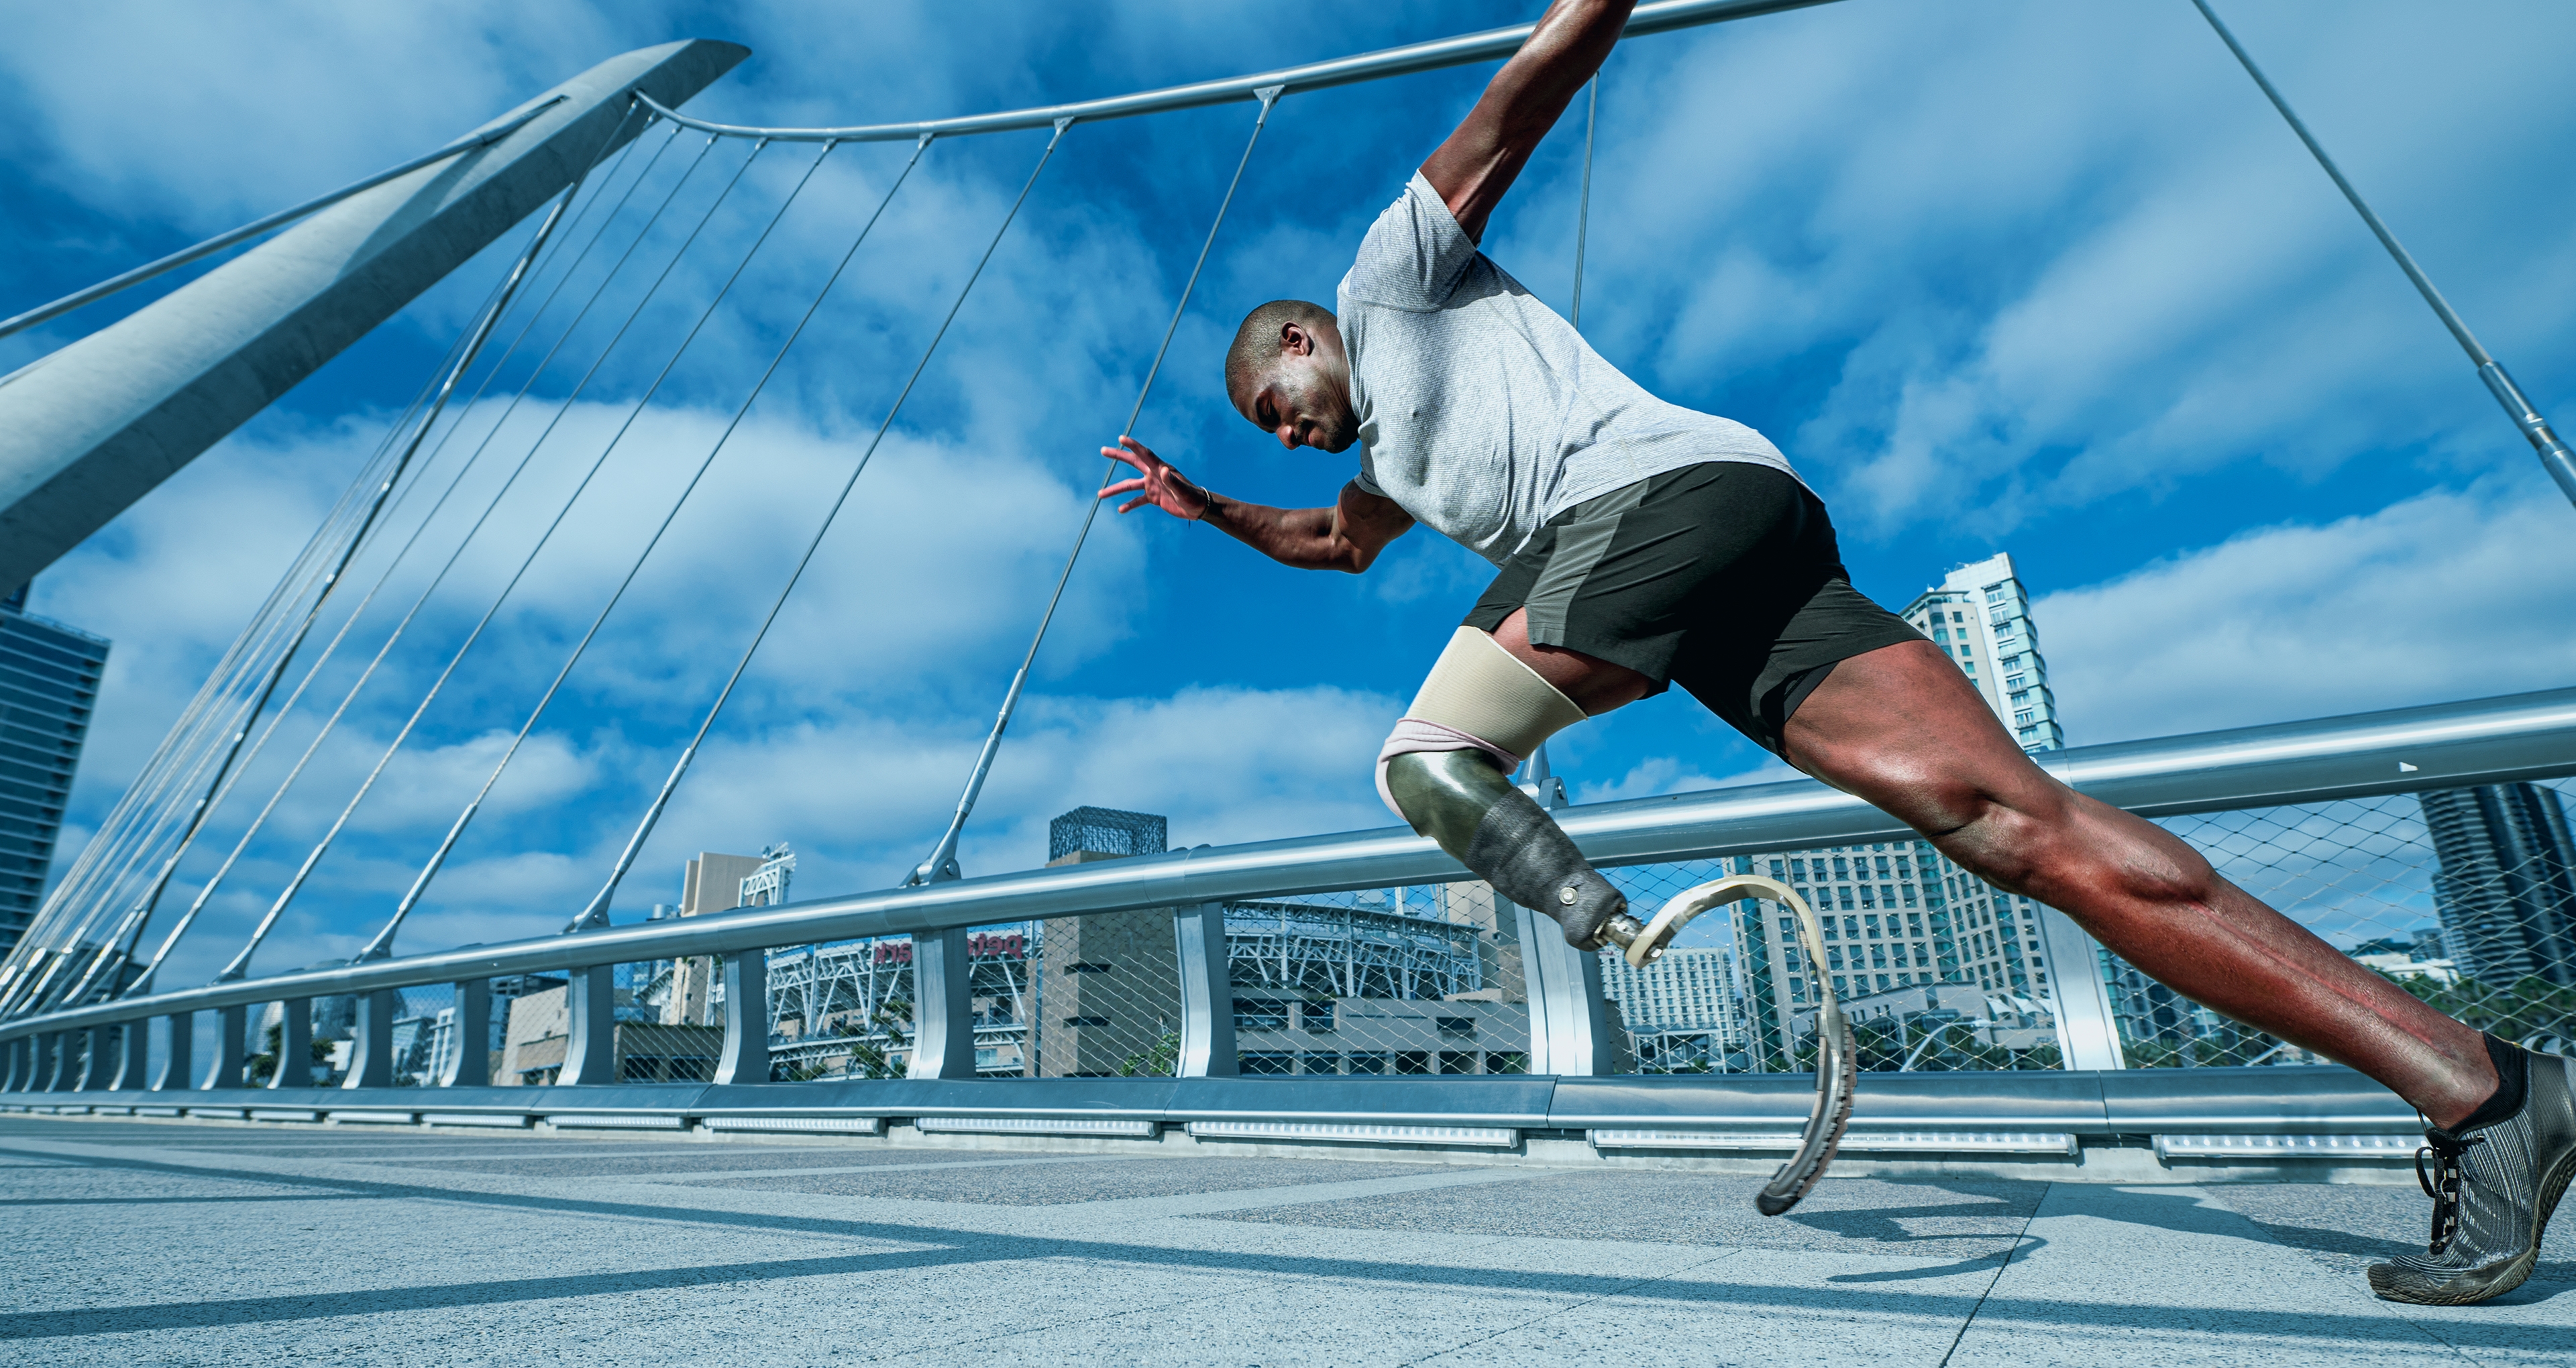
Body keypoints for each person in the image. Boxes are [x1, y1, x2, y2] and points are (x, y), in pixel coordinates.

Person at [1099, 0, 2570, 1305]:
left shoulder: (1387, 277)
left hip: (1655, 503)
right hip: (1741, 558)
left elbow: (1532, 85)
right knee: (2014, 827)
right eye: (1271, 438)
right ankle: (2485, 1088)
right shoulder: (1394, 477)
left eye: (1275, 404)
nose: (1285, 433)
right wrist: (1202, 502)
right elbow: (1335, 546)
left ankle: (1618, 930)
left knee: (1426, 759)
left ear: (1302, 333)